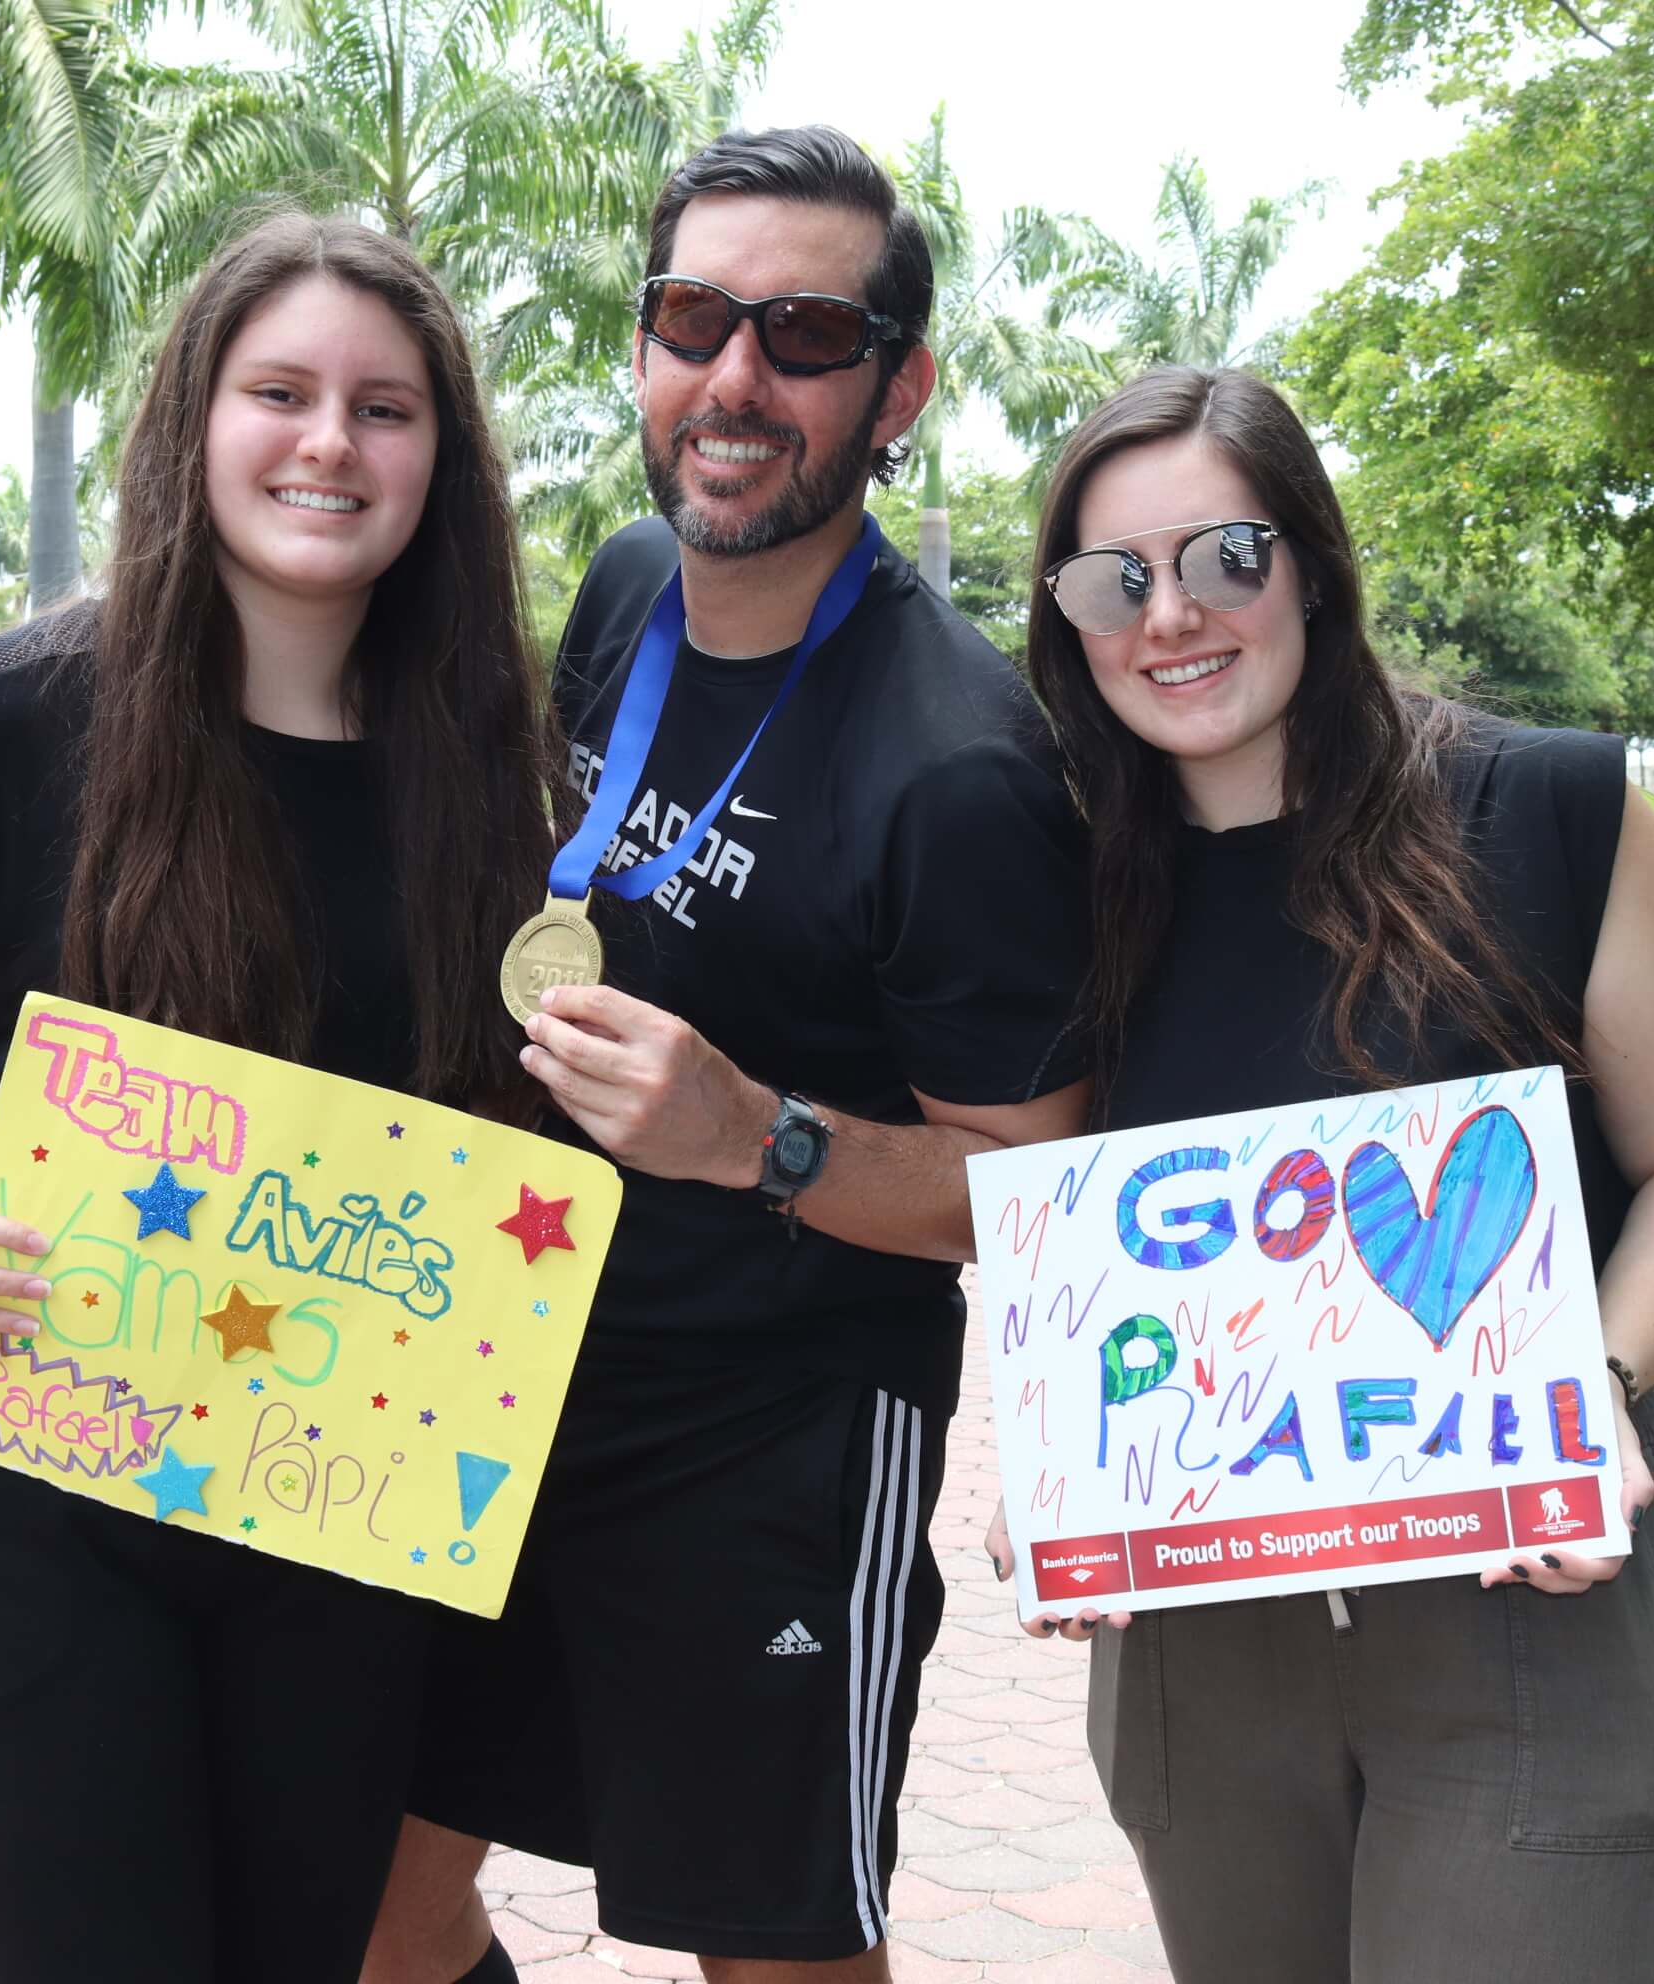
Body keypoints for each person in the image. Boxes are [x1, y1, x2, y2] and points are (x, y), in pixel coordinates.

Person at [0, 211, 561, 1983]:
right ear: (196, 419)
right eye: (281, 392)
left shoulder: (499, 792)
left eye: (385, 408)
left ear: (442, 461)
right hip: (21, 1521)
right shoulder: (7, 723)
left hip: (338, 1524)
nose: (329, 442)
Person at [363, 127, 1092, 1984]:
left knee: (762, 1954)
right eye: (695, 317)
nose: (736, 378)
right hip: (504, 1380)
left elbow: (1036, 1196)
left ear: (898, 387)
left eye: (808, 333)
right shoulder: (623, 590)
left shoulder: (959, 766)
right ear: (642, 346)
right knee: (370, 1899)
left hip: (770, 1447)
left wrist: (760, 1136)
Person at [984, 364, 1654, 1981]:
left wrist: (1596, 1382)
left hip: (1528, 1600)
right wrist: (1039, 1435)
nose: (1171, 616)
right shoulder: (1053, 889)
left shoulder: (1544, 811)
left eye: (1223, 556)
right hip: (1196, 1640)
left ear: (1313, 562)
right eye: (1110, 581)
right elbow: (1040, 1212)